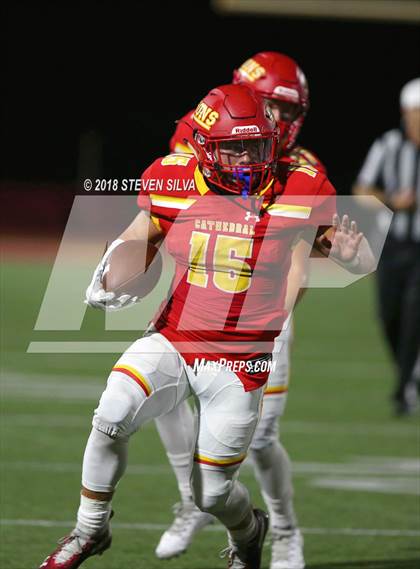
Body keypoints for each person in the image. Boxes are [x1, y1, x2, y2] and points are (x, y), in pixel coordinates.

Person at [39, 83, 374, 569]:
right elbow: (139, 237)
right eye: (231, 146)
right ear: (201, 148)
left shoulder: (299, 186)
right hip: (175, 336)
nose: (243, 158)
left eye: (254, 145)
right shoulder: (172, 178)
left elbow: (356, 258)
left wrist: (352, 256)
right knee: (111, 412)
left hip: (242, 358)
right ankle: (90, 529)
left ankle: (250, 530)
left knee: (211, 494)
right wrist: (114, 271)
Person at [155, 51, 325, 569]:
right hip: (202, 297)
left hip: (261, 313)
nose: (281, 123)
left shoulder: (301, 169)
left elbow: (312, 248)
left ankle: (287, 530)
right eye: (273, 107)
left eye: (289, 113)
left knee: (262, 436)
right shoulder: (203, 132)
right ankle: (194, 498)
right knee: (163, 394)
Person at [353, 77, 420, 416]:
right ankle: (411, 373)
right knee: (388, 316)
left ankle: (404, 387)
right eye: (413, 114)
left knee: (413, 317)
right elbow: (362, 190)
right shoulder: (389, 145)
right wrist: (394, 199)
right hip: (393, 245)